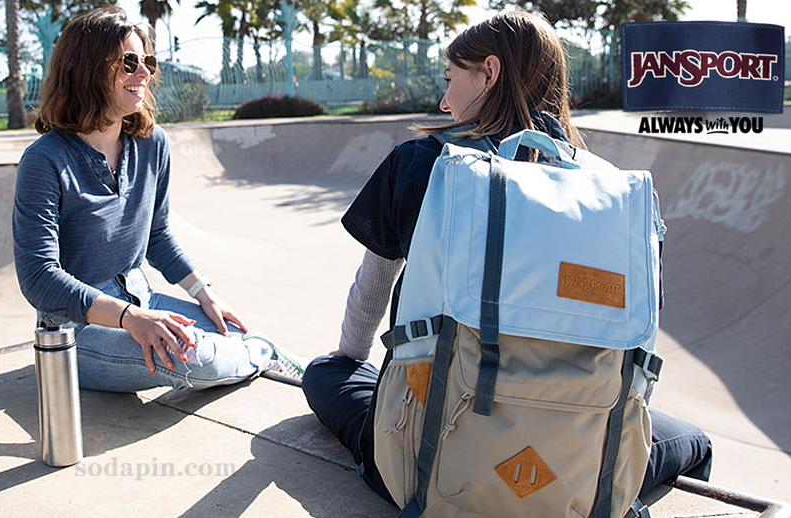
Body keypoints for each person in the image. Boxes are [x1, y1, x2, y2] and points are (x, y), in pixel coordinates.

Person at [302, 10, 712, 507]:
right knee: (694, 442)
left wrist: (348, 357)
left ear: (490, 72)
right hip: (577, 472)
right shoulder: (609, 190)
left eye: (450, 78)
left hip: (425, 467)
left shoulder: (421, 162)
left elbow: (372, 288)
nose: (444, 100)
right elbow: (638, 349)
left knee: (326, 372)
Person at [13, 7, 304, 392]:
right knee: (191, 355)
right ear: (86, 69)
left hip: (142, 298)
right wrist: (129, 317)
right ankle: (261, 354)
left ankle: (262, 356)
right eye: (128, 62)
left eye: (147, 62)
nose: (144, 73)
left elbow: (158, 235)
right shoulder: (44, 160)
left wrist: (204, 293)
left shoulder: (152, 144)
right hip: (76, 330)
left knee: (228, 328)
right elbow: (38, 277)